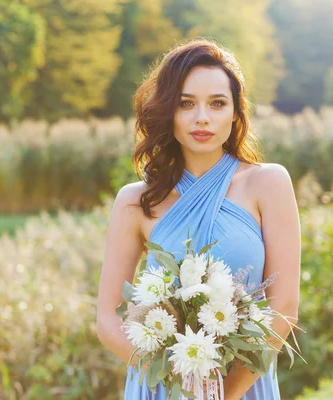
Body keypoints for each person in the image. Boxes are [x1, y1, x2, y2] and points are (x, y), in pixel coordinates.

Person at [95, 38, 301, 400]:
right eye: (185, 103)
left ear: (236, 112)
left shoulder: (268, 183)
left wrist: (226, 392)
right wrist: (177, 382)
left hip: (245, 386)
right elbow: (109, 319)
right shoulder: (136, 201)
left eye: (217, 103)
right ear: (167, 110)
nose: (202, 117)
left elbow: (284, 307)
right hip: (165, 389)